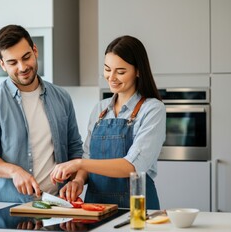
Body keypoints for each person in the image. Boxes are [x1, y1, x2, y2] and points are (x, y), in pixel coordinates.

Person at [50, 35, 166, 209]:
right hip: (95, 209)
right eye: (107, 69)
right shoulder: (100, 109)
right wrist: (79, 180)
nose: (111, 77)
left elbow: (131, 166)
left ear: (138, 71)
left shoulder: (152, 109)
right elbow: (89, 157)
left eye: (120, 72)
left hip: (136, 209)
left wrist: (78, 163)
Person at [0, 24, 83, 203]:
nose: (22, 67)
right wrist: (14, 171)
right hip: (9, 208)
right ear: (2, 64)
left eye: (26, 57)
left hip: (56, 206)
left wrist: (76, 180)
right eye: (12, 62)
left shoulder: (61, 97)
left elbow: (75, 149)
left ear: (35, 50)